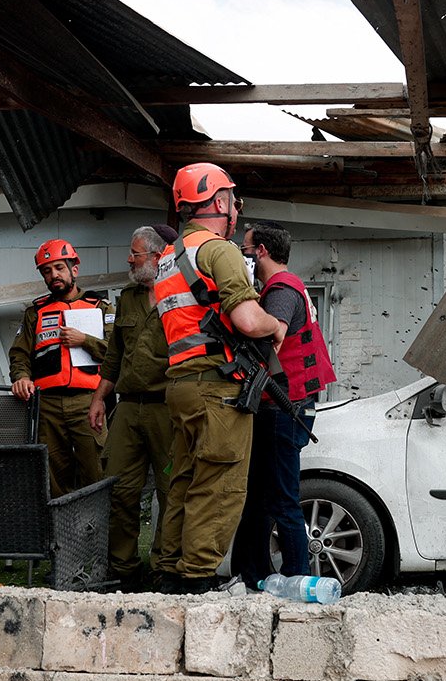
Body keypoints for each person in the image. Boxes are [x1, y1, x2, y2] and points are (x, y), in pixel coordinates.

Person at [154, 162, 285, 594]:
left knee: (186, 482)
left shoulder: (167, 260)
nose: (235, 210)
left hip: (181, 387)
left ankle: (170, 571)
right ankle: (197, 580)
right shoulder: (219, 250)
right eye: (231, 199)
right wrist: (275, 325)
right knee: (221, 485)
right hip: (216, 388)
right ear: (219, 202)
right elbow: (247, 320)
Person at [231, 220, 337, 589]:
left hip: (281, 408)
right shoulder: (289, 287)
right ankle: (254, 575)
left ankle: (298, 580)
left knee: (282, 500)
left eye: (244, 248)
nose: (241, 254)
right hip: (282, 407)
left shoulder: (280, 291)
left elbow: (270, 336)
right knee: (262, 498)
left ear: (260, 250)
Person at [88, 224, 176, 590]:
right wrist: (98, 398)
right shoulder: (127, 297)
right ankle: (123, 570)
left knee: (172, 493)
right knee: (120, 488)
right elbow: (115, 356)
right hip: (128, 407)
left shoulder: (182, 294)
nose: (129, 259)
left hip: (168, 409)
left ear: (157, 257)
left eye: (135, 253)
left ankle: (163, 569)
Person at [9, 239, 111, 497]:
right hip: (48, 406)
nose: (54, 275)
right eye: (47, 271)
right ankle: (61, 535)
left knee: (96, 472)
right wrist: (21, 377)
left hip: (88, 402)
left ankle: (98, 534)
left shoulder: (99, 307)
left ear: (73, 269)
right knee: (53, 478)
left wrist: (85, 341)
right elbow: (20, 353)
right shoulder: (35, 312)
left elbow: (118, 353)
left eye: (59, 268)